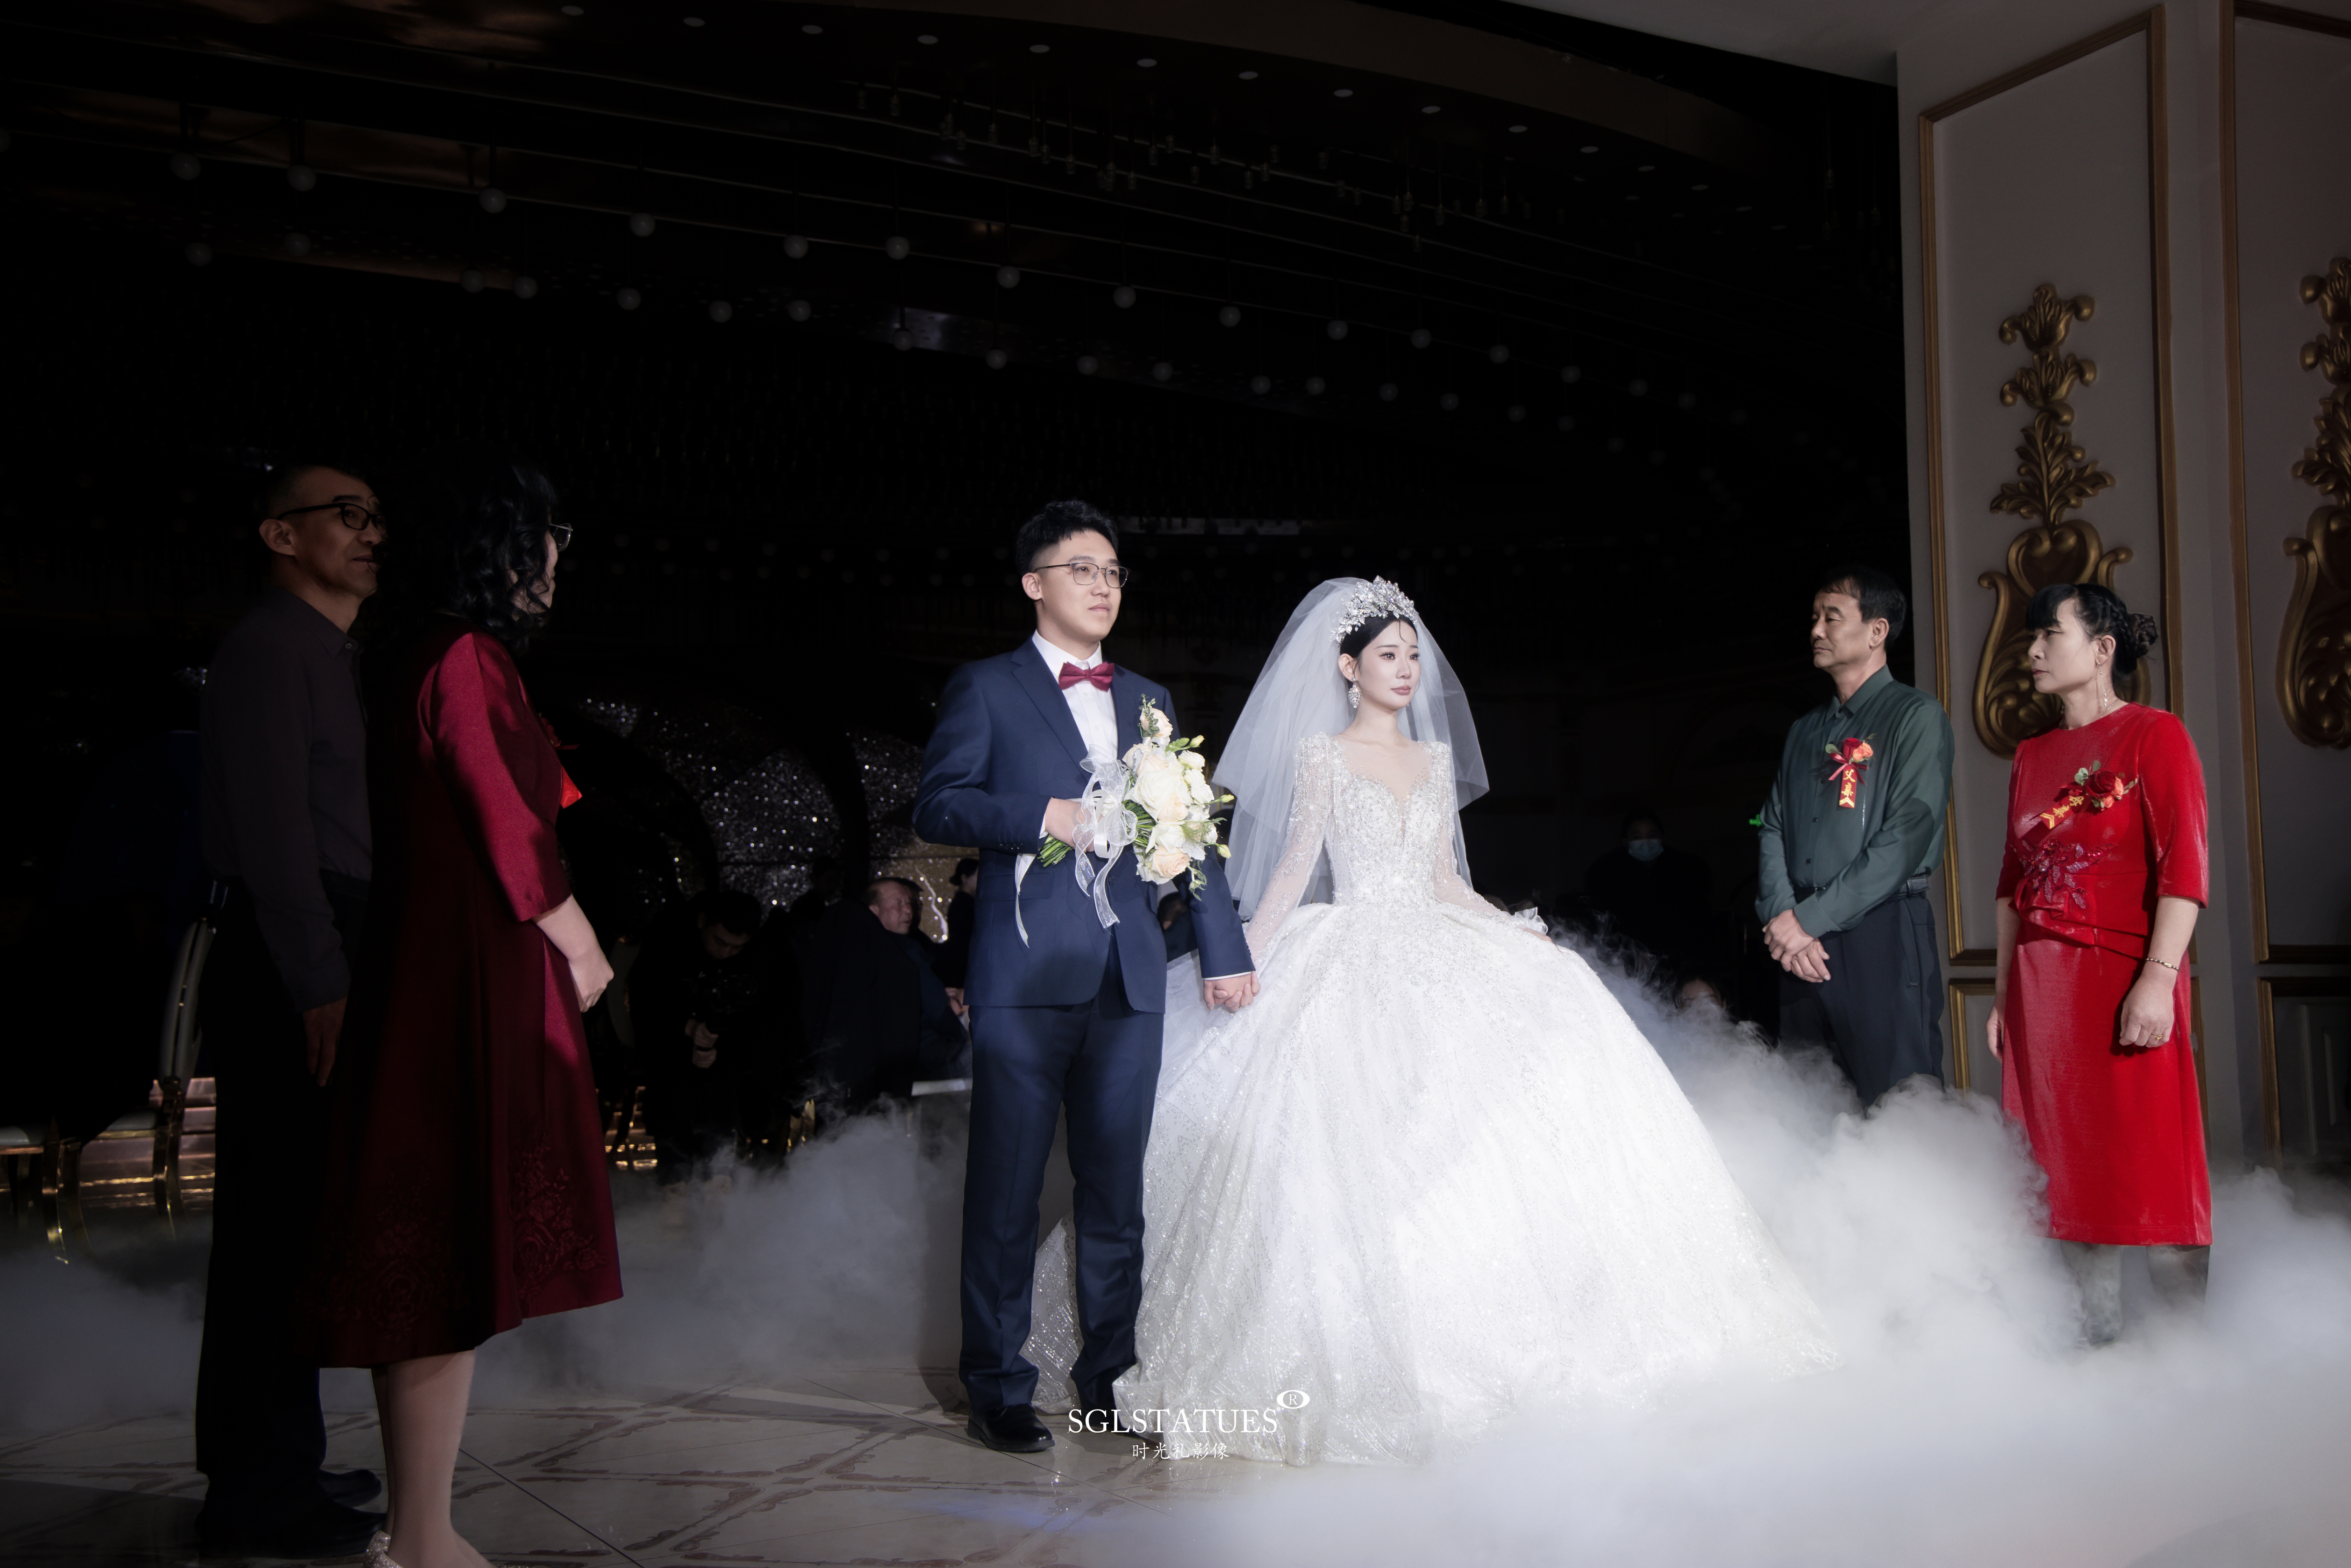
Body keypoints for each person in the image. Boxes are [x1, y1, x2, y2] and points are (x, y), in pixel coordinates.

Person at [1022, 577, 1836, 1465]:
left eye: (1413, 654)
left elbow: (1445, 877)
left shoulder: (1434, 761)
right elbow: (1293, 870)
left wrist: (1515, 928)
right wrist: (1239, 952)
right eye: (1387, 655)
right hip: (1348, 946)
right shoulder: (1322, 755)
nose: (1407, 669)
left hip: (1436, 939)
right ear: (1348, 667)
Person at [299, 445, 619, 1568]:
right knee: (450, 1248)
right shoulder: (463, 656)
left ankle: (421, 1526)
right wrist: (581, 944)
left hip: (430, 967)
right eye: (547, 534)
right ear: (497, 544)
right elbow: (509, 823)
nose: (557, 557)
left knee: (437, 1254)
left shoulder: (412, 654)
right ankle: (423, 1534)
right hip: (467, 978)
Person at [913, 500, 1258, 1455]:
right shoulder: (985, 688)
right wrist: (1045, 815)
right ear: (1034, 583)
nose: (1103, 585)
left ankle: (1109, 1379)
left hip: (1128, 975)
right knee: (1006, 1191)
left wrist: (1223, 948)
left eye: (1112, 571)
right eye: (1081, 569)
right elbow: (938, 803)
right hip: (1025, 975)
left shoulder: (1149, 697)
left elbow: (1192, 830)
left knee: (1117, 1194)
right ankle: (996, 1386)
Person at [193, 459, 386, 1557]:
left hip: (318, 935)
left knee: (296, 1221)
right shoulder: (271, 648)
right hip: (293, 949)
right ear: (279, 534)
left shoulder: (325, 654)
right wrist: (321, 977)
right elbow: (276, 835)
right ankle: (256, 1491)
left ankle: (276, 1461)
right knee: (275, 1228)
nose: (371, 533)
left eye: (377, 518)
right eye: (346, 515)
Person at [1989, 584, 2209, 1344]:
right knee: (2067, 1171)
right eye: (2031, 638)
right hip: (2041, 992)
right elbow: (2009, 887)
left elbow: (2183, 873)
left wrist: (2157, 979)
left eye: (2049, 635)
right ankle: (2098, 1348)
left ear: (2102, 647)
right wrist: (2002, 997)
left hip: (2122, 977)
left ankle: (2188, 1352)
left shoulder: (2154, 735)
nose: (2032, 651)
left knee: (2154, 1163)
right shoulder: (2030, 754)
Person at [1756, 565, 1955, 1105]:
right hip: (1798, 940)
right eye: (1814, 618)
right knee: (1810, 1104)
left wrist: (1808, 921)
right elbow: (1772, 824)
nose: (1816, 630)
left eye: (1831, 617)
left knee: (1899, 1102)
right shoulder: (1804, 730)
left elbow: (1904, 839)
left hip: (1879, 928)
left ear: (1876, 631)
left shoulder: (1914, 715)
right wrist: (1783, 916)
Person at [632, 888, 770, 1191]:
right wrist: (688, 1028)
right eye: (720, 942)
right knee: (674, 1136)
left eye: (737, 947)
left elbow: (763, 1019)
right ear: (702, 921)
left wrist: (722, 1047)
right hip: (670, 1063)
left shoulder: (758, 957)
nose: (726, 953)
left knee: (720, 1142)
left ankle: (718, 1198)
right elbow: (645, 1003)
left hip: (725, 1074)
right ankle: (675, 1196)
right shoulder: (667, 941)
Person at [801, 877, 964, 1111]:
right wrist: (961, 1030)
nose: (908, 910)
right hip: (924, 1057)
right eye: (898, 904)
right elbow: (940, 1014)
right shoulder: (904, 952)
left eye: (910, 904)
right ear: (873, 911)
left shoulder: (849, 956)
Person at [1582, 810, 1713, 982]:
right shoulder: (1606, 873)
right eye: (1637, 837)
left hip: (1678, 963)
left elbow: (1695, 918)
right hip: (1627, 964)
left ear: (1661, 838)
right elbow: (1604, 922)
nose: (1645, 842)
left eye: (1652, 835)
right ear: (1625, 841)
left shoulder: (1687, 870)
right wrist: (1630, 952)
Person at [941, 857, 979, 1003]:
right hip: (963, 964)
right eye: (978, 876)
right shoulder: (964, 904)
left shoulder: (966, 902)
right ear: (965, 878)